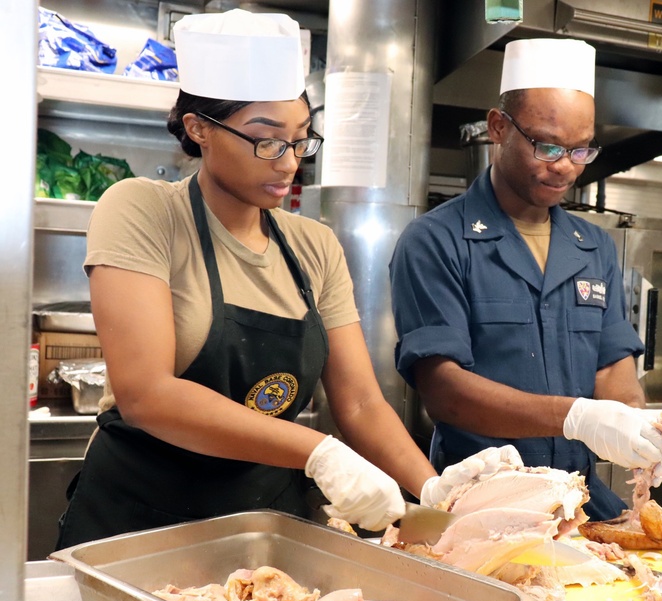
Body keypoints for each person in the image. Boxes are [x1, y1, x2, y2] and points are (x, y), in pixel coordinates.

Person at [55, 9, 441, 548]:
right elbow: (147, 393)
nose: (288, 163)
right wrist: (317, 452)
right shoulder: (143, 211)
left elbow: (359, 404)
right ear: (199, 129)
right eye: (267, 140)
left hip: (266, 526)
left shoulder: (315, 247)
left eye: (301, 140)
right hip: (140, 523)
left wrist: (436, 490)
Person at [389, 38, 662, 521]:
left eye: (581, 150)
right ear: (499, 127)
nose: (564, 165)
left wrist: (636, 422)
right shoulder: (437, 240)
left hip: (580, 502)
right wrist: (577, 418)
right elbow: (446, 392)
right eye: (548, 145)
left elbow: (612, 365)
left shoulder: (593, 246)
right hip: (480, 505)